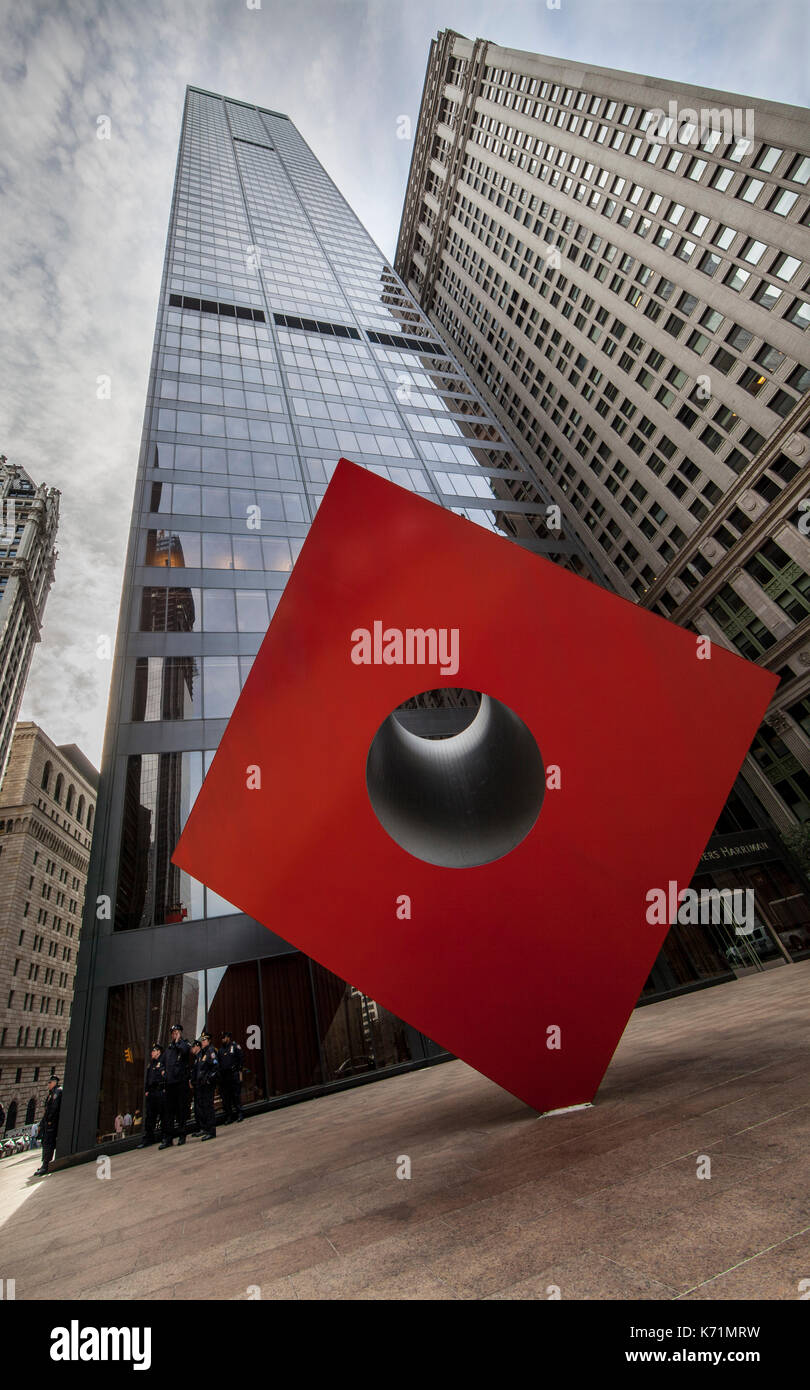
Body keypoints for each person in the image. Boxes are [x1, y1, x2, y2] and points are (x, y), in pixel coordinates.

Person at [159, 1023, 191, 1149]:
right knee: (169, 1112)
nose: (174, 1034)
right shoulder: (169, 1048)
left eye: (176, 1032)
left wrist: (178, 1042)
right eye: (173, 1033)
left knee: (181, 1110)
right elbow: (161, 1062)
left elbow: (184, 1052)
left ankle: (182, 1135)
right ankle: (168, 1138)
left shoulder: (184, 1044)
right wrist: (162, 1070)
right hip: (170, 1084)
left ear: (180, 1033)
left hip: (181, 1083)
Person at [138, 1044, 165, 1148]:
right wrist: (146, 1090)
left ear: (158, 1052)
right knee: (149, 1117)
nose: (151, 1053)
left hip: (159, 1092)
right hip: (151, 1093)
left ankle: (164, 1137)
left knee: (163, 1115)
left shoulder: (162, 1061)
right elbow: (148, 1079)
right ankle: (148, 1139)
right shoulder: (151, 1064)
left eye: (154, 1051)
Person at [34, 1077, 62, 1176]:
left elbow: (53, 1109)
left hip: (52, 1123)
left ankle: (45, 1165)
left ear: (55, 1082)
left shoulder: (57, 1092)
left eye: (49, 1082)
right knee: (46, 1143)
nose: (48, 1084)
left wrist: (49, 1121)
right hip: (49, 1123)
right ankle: (44, 1164)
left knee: (48, 1143)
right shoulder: (52, 1093)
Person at [195, 1032, 219, 1141]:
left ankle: (211, 1131)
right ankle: (207, 1129)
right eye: (202, 1040)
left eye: (204, 1040)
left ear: (209, 1041)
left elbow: (215, 1067)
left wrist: (209, 1079)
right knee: (204, 1106)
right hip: (202, 1085)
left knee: (208, 1107)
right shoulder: (202, 1053)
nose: (202, 1042)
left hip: (208, 1084)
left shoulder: (211, 1051)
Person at [218, 1031, 244, 1124]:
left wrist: (238, 1070)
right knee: (227, 1098)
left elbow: (241, 1058)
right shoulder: (220, 1050)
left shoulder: (235, 1046)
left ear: (228, 1037)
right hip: (225, 1077)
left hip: (233, 1074)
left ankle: (240, 1113)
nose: (223, 1039)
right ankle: (229, 1116)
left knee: (236, 1095)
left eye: (224, 1038)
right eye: (222, 1038)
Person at [188, 1039, 203, 1137]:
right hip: (196, 1086)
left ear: (197, 1046)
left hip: (200, 1085)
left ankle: (203, 1127)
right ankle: (200, 1128)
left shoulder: (202, 1056)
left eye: (193, 1047)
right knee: (197, 1109)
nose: (192, 1049)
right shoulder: (196, 1058)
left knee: (201, 1108)